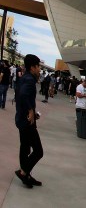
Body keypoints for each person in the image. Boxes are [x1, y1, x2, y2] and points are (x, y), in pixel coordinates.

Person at [14, 54, 44, 188]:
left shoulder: (24, 77)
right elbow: (23, 95)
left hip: (21, 119)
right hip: (27, 122)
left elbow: (20, 96)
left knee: (25, 147)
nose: (39, 70)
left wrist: (31, 111)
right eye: (38, 67)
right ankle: (23, 172)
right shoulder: (30, 80)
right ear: (33, 67)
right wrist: (31, 110)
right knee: (38, 151)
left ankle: (26, 175)